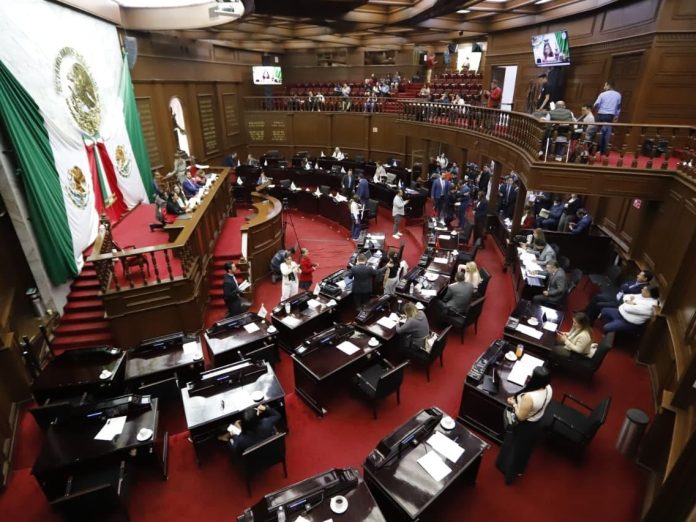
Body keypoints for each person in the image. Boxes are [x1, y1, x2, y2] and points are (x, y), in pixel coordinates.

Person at [496, 366, 552, 485]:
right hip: (537, 423)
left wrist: (514, 403)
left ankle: (507, 469)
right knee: (524, 449)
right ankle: (519, 469)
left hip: (525, 426)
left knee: (513, 448)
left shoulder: (529, 397)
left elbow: (521, 417)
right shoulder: (549, 388)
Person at [585, 270, 653, 322]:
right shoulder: (635, 280)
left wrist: (626, 288)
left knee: (599, 305)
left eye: (640, 275)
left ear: (645, 279)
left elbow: (628, 291)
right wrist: (626, 288)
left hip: (620, 303)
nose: (638, 276)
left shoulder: (644, 288)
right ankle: (585, 312)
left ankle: (588, 321)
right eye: (639, 274)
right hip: (616, 296)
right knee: (597, 297)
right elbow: (623, 286)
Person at [593, 80, 622, 155]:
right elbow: (618, 107)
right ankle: (603, 151)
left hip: (600, 115)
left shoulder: (602, 94)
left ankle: (595, 150)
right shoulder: (618, 95)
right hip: (610, 116)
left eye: (605, 85)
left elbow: (596, 104)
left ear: (609, 86)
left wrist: (599, 108)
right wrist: (616, 116)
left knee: (598, 133)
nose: (604, 87)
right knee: (606, 134)